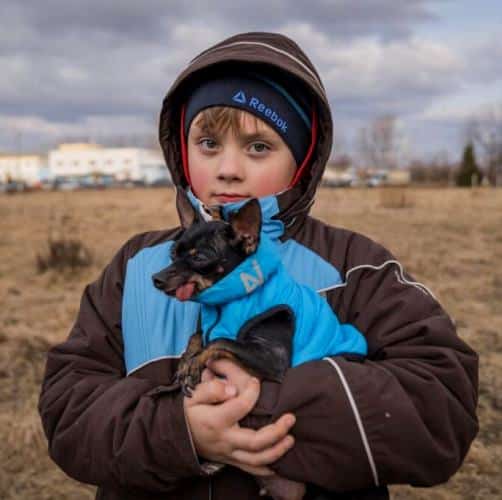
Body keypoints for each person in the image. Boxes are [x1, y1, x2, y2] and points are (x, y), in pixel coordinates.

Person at [39, 32, 478, 500]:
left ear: (302, 162)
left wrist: (259, 407)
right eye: (208, 143)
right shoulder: (137, 266)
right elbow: (68, 408)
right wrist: (179, 429)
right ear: (182, 153)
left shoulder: (356, 269)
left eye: (258, 148)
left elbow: (442, 407)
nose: (229, 168)